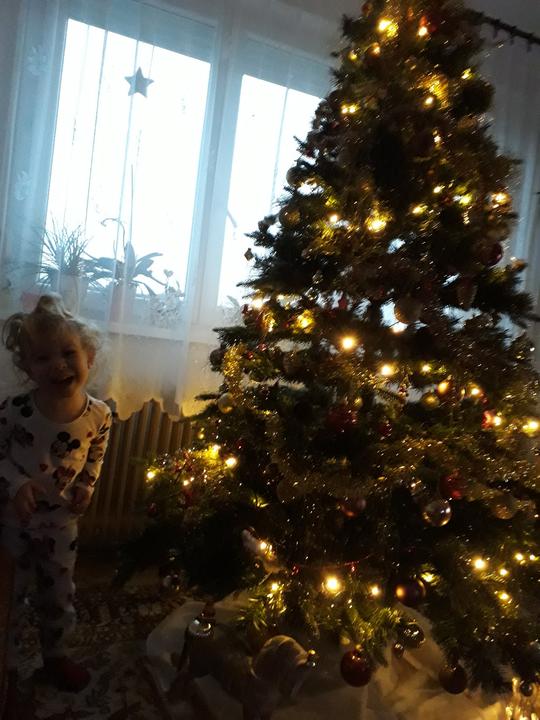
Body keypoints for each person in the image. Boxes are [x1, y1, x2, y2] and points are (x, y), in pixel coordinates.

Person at [0, 295, 112, 711]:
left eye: (68, 354)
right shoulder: (15, 411)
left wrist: (88, 486)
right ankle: (7, 670)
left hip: (62, 525)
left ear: (89, 357)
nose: (58, 365)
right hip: (14, 523)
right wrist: (16, 485)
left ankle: (56, 656)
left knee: (59, 594)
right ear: (27, 367)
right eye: (43, 358)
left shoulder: (99, 414)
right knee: (10, 598)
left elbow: (96, 453)